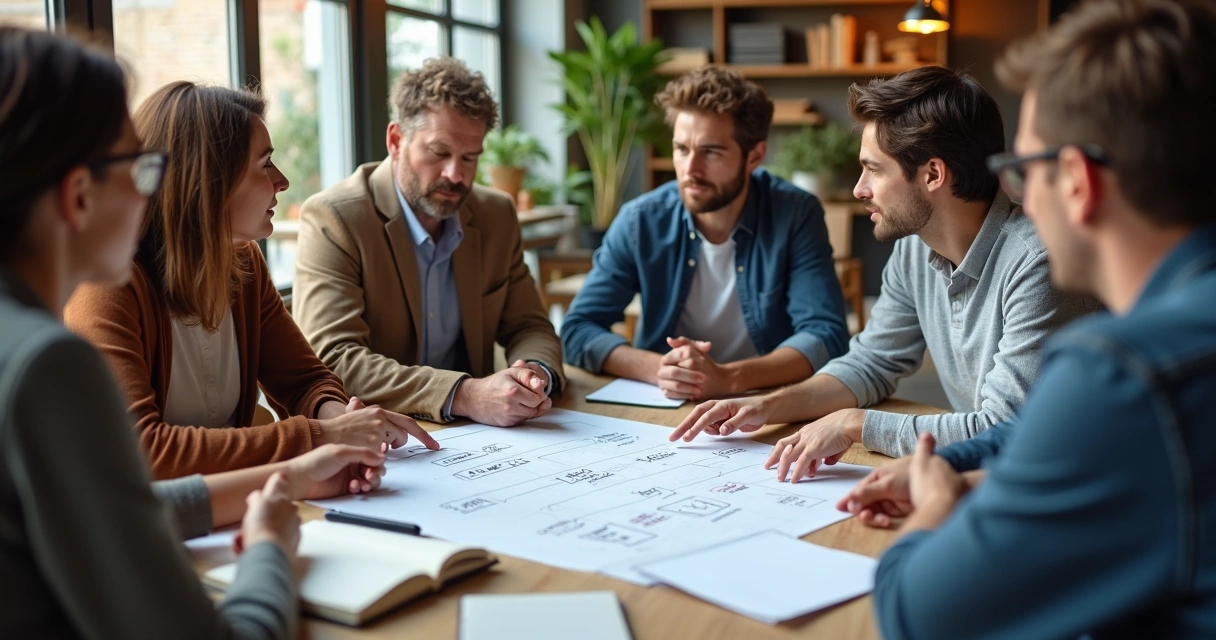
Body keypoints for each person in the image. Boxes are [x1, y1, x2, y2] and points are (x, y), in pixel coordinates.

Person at [0, 26, 388, 638]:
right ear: (78, 194)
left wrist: (291, 473)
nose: (149, 191)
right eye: (139, 168)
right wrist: (268, 549)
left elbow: (107, 509)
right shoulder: (47, 363)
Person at [843, 1, 1216, 636]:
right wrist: (957, 467)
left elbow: (918, 614)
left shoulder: (1122, 370)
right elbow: (1033, 434)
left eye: (1023, 169)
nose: (1017, 197)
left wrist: (936, 501)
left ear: (1075, 180)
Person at [671, 66, 1098, 480]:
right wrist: (767, 405)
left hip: (1075, 490)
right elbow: (872, 361)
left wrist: (856, 424)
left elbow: (1004, 432)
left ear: (933, 174)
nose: (859, 188)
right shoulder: (916, 247)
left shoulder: (1038, 262)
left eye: (873, 169)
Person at [64, 81, 440, 480]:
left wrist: (342, 421)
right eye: (264, 164)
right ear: (208, 183)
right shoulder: (105, 286)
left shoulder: (242, 262)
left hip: (234, 504)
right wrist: (320, 436)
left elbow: (304, 381)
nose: (282, 181)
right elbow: (143, 450)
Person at [293, 57, 564, 428]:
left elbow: (529, 326)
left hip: (481, 439)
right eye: (439, 153)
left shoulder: (496, 214)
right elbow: (334, 358)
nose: (456, 174)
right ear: (396, 141)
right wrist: (465, 394)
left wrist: (535, 373)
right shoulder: (336, 218)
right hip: (387, 436)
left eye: (470, 158)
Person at [559, 66, 849, 401]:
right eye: (681, 149)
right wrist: (660, 369)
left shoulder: (795, 214)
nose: (690, 170)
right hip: (664, 401)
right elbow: (578, 329)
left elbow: (825, 335)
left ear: (754, 155)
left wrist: (730, 378)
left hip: (761, 400)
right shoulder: (641, 220)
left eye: (710, 152)